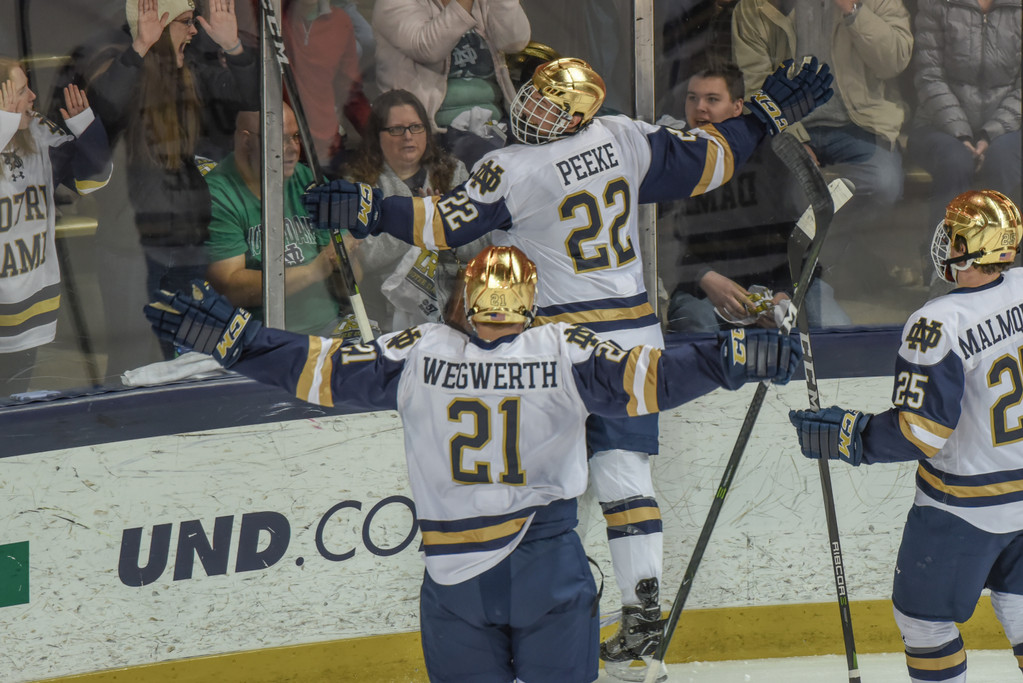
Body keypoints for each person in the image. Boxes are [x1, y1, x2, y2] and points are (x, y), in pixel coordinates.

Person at [302, 55, 833, 678]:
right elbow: (712, 159)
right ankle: (641, 617)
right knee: (626, 475)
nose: (531, 110)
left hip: (557, 347)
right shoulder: (625, 136)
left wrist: (368, 208)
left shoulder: (512, 166)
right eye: (533, 99)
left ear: (573, 114)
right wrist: (765, 115)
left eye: (549, 107)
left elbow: (442, 225)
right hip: (632, 336)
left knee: (544, 479)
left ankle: (554, 608)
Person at [144, 244, 802, 683]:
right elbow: (647, 378)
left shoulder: (418, 350)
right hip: (548, 568)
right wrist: (732, 359)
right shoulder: (559, 347)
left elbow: (318, 369)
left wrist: (240, 341)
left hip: (455, 580)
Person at [789, 190, 1023, 683]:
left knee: (925, 623)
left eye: (952, 232)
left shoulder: (937, 323)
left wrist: (852, 435)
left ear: (968, 245)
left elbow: (920, 433)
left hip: (963, 509)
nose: (943, 239)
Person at [87, 0, 259, 370]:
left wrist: (234, 48)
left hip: (186, 247)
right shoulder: (122, 70)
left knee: (192, 357)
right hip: (132, 250)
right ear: (160, 28)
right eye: (184, 22)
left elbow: (247, 98)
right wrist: (139, 49)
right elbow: (101, 112)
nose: (194, 30)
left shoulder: (189, 72)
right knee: (132, 358)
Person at [732, 0, 913, 286]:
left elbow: (894, 62)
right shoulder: (757, 6)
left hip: (860, 124)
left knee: (884, 184)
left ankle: (828, 259)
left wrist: (853, 10)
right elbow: (755, 84)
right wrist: (794, 139)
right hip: (791, 125)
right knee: (795, 196)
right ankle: (832, 268)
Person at [662, 64, 850, 332]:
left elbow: (801, 238)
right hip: (704, 289)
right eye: (693, 98)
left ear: (738, 107)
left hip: (779, 284)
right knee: (696, 324)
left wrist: (785, 294)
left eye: (712, 99)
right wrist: (702, 276)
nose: (699, 107)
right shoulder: (672, 157)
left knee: (834, 326)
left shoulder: (774, 156)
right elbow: (662, 243)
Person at [0, 59, 112, 395]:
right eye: (21, 91)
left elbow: (93, 180)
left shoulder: (37, 132)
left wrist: (86, 128)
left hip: (31, 309)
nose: (34, 96)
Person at [344, 89, 485, 333]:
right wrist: (423, 222)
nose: (408, 136)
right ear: (377, 136)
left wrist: (447, 232)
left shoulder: (454, 171)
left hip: (458, 305)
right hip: (392, 311)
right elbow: (363, 256)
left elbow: (481, 245)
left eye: (416, 127)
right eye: (396, 129)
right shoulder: (358, 184)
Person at [204, 106, 349, 336]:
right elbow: (230, 286)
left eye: (295, 137)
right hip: (258, 337)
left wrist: (344, 257)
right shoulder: (218, 194)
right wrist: (313, 271)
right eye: (280, 139)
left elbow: (345, 270)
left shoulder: (305, 179)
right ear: (246, 141)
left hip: (329, 327)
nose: (293, 149)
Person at [906, 0, 1021, 232]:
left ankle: (1006, 262)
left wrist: (990, 133)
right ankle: (944, 260)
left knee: (1004, 160)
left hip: (1009, 126)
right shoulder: (936, 4)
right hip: (938, 124)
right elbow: (929, 76)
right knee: (955, 160)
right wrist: (962, 135)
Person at [371, 0, 530, 167]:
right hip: (433, 133)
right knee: (499, 167)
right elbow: (426, 48)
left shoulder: (481, 4)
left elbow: (515, 42)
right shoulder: (392, 3)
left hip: (495, 123)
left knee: (536, 159)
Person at [281, 0, 371, 177]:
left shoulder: (339, 22)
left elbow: (350, 91)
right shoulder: (274, 16)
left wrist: (379, 134)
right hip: (277, 147)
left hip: (325, 149)